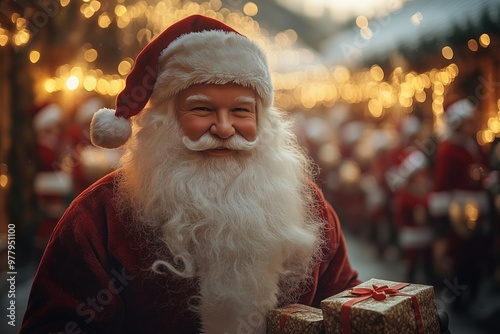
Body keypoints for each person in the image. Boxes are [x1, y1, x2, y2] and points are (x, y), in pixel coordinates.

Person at [21, 15, 360, 334]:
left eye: (241, 110)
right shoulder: (98, 216)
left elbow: (348, 303)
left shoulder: (309, 208)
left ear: (263, 122)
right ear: (165, 121)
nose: (225, 128)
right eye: (202, 109)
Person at [429, 97, 491, 311]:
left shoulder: (473, 145)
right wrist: (443, 211)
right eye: (467, 122)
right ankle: (458, 298)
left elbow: (481, 171)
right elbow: (442, 180)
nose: (471, 126)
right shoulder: (448, 148)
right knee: (459, 254)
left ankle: (471, 293)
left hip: (477, 207)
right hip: (458, 211)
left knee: (476, 251)